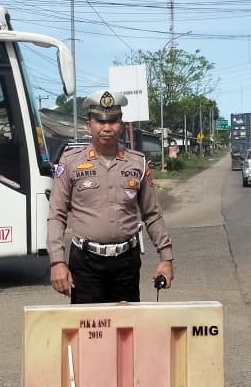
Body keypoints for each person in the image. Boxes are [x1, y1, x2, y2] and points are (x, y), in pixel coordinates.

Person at [47, 90, 174, 303]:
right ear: (89, 126)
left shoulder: (137, 163)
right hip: (86, 263)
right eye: (100, 121)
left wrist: (166, 258)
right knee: (89, 323)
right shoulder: (70, 162)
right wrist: (57, 262)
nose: (107, 128)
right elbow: (56, 215)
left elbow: (152, 214)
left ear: (121, 125)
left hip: (126, 263)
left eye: (113, 121)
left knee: (126, 322)